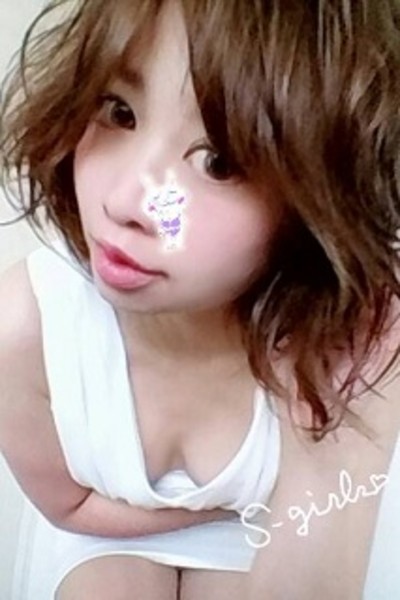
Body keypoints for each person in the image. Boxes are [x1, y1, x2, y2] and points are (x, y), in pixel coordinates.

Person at [0, 0, 399, 599]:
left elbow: (318, 533)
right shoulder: (25, 327)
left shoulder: (335, 344)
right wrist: (210, 511)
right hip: (100, 531)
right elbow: (71, 506)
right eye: (120, 112)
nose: (126, 203)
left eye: (217, 162)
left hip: (265, 534)